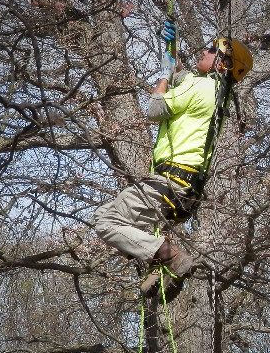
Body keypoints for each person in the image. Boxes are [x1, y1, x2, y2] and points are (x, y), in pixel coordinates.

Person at [94, 21, 253, 300]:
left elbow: (155, 109)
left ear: (223, 64)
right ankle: (160, 262)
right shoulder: (216, 93)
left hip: (170, 181)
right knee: (124, 226)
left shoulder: (203, 88)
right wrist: (173, 52)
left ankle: (172, 258)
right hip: (184, 188)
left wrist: (163, 76)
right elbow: (185, 82)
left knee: (107, 221)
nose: (203, 51)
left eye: (210, 50)